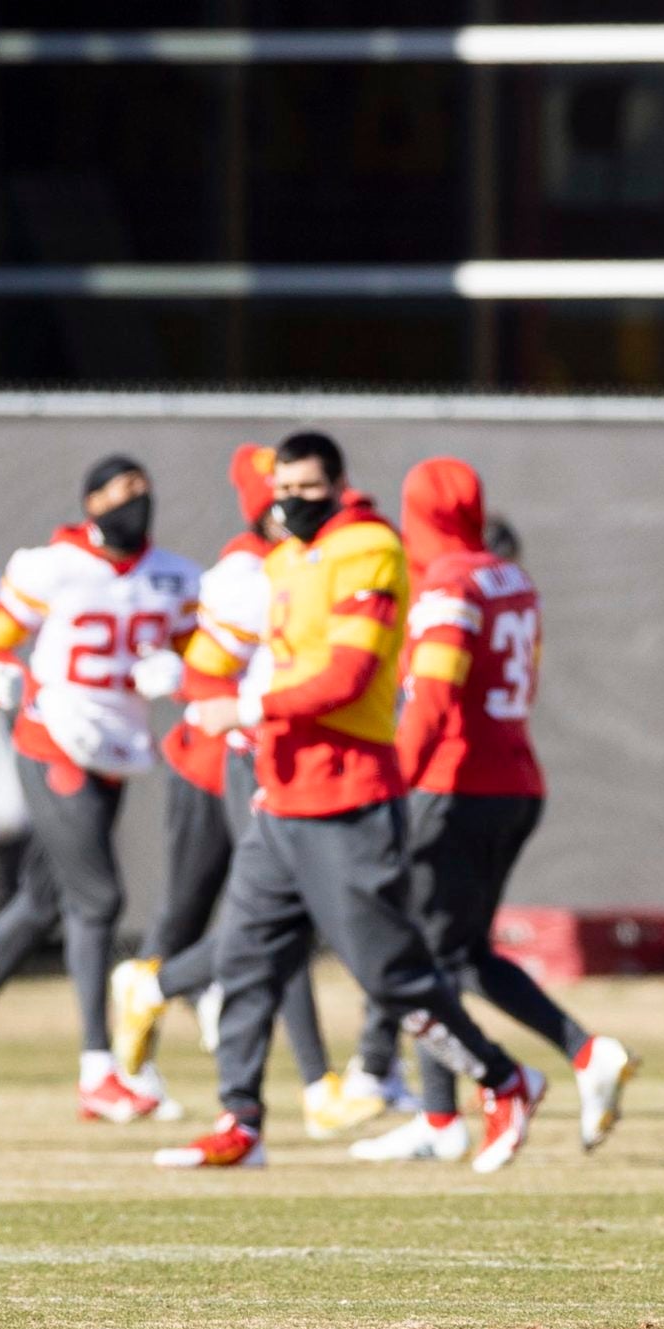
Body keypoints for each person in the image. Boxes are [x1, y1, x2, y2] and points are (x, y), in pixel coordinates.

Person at [148, 432, 542, 1173]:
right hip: (283, 794)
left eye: (306, 489)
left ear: (336, 485)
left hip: (347, 796)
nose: (291, 503)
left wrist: (245, 706)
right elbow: (217, 662)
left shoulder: (369, 548)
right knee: (243, 958)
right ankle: (241, 1121)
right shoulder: (287, 560)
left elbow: (349, 676)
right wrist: (189, 679)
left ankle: (505, 1079)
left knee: (391, 973)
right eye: (282, 491)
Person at [347, 458, 637, 1163]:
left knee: (421, 958)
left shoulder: (450, 583)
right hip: (513, 780)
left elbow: (438, 700)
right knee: (461, 954)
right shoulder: (510, 577)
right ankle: (578, 1052)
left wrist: (394, 781)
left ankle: (456, 1112)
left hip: (455, 785)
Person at [0, 455, 202, 1123]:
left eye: (145, 489)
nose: (138, 502)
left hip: (115, 750)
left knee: (45, 901)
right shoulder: (52, 566)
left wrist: (178, 669)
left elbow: (199, 653)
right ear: (92, 500)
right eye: (123, 491)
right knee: (99, 899)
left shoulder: (173, 576)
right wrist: (7, 672)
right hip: (54, 743)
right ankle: (97, 1070)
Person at [108, 446, 363, 1140]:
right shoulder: (249, 571)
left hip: (267, 758)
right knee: (223, 918)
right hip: (221, 763)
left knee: (268, 920)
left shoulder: (313, 561)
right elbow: (207, 673)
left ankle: (306, 1082)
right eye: (289, 490)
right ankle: (299, 1081)